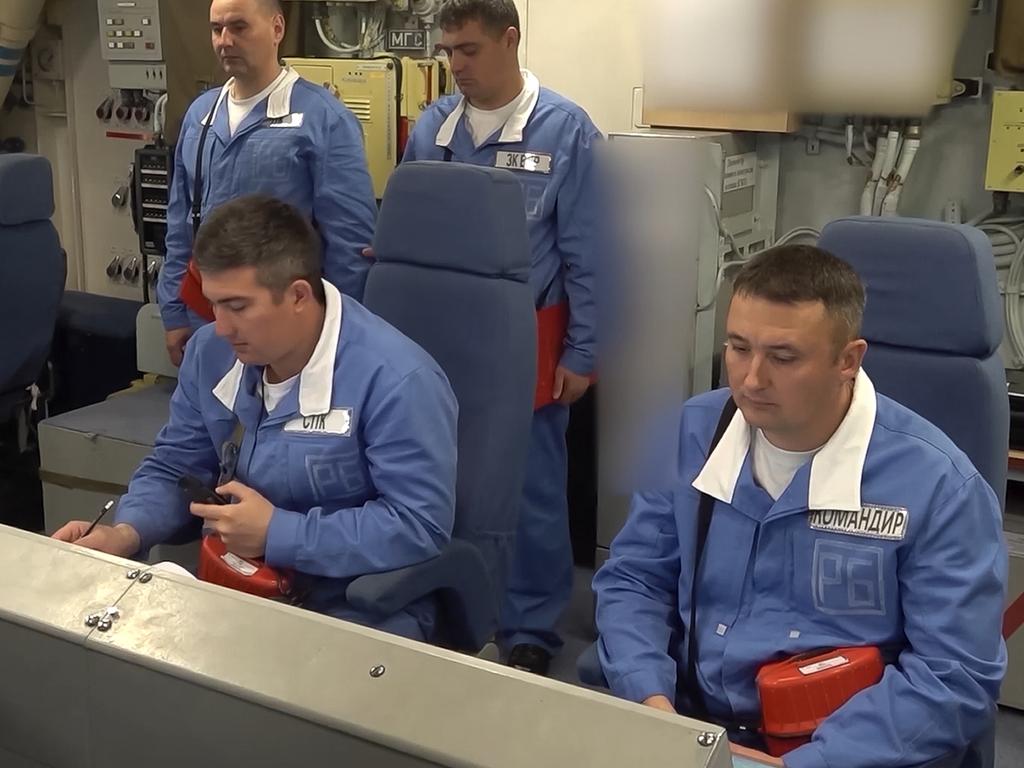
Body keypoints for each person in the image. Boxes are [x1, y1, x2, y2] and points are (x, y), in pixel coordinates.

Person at [593, 245, 1007, 768]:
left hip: (847, 750)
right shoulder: (691, 434)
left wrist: (808, 764)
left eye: (783, 357)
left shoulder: (939, 487)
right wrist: (652, 704)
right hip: (692, 726)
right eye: (738, 348)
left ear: (847, 361)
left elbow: (953, 677)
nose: (750, 379)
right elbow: (635, 581)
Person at [55, 195, 457, 642]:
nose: (221, 328)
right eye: (214, 305)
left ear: (298, 295)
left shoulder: (397, 379)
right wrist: (126, 535)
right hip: (237, 581)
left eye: (238, 306)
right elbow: (175, 466)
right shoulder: (212, 354)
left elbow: (418, 524)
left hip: (355, 605)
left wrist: (280, 533)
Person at [401, 0, 601, 676]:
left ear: (510, 39)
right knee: (443, 479)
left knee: (531, 489)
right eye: (448, 51)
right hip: (441, 337)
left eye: (469, 50)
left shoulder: (566, 130)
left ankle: (530, 630)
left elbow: (590, 254)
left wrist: (584, 352)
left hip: (527, 338)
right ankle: (456, 608)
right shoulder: (434, 127)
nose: (455, 65)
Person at [160, 0, 377, 367]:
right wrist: (173, 311)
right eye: (217, 29)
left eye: (239, 27)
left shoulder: (322, 119)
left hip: (286, 326)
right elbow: (180, 225)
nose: (225, 40)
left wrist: (336, 332)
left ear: (277, 29)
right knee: (212, 420)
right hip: (207, 318)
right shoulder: (201, 116)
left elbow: (350, 242)